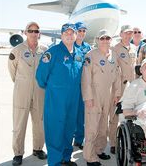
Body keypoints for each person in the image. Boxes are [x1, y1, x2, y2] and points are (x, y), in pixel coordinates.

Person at [36, 23, 84, 166]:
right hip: (56, 99)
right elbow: (41, 77)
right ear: (61, 35)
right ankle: (55, 161)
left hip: (73, 98)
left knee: (69, 128)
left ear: (76, 35)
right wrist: (55, 89)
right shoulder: (52, 53)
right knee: (55, 129)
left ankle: (65, 158)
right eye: (66, 33)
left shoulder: (79, 54)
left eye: (72, 33)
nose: (69, 35)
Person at [8, 22, 48, 165]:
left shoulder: (45, 50)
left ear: (39, 33)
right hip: (22, 93)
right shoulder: (17, 50)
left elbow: (47, 71)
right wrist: (22, 83)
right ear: (25, 33)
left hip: (39, 92)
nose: (33, 33)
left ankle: (38, 149)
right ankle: (18, 153)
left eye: (36, 30)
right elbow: (13, 71)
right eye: (30, 30)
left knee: (39, 123)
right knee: (19, 124)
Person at [81, 29, 121, 166]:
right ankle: (89, 156)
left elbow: (117, 76)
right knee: (92, 126)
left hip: (108, 95)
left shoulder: (113, 56)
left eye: (107, 38)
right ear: (98, 40)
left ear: (111, 40)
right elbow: (86, 78)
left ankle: (98, 149)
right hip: (94, 95)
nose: (105, 41)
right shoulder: (90, 55)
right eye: (102, 38)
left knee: (103, 124)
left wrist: (117, 94)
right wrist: (88, 97)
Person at [108, 25, 136, 154]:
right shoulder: (115, 49)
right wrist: (117, 91)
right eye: (126, 33)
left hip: (132, 86)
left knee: (130, 113)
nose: (128, 35)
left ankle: (129, 140)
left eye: (130, 33)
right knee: (115, 115)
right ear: (120, 34)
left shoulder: (134, 48)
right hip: (119, 86)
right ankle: (113, 143)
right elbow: (114, 71)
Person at [73, 22, 91, 150]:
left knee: (81, 113)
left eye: (84, 31)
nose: (82, 33)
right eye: (80, 30)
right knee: (70, 113)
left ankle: (79, 139)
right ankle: (67, 138)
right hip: (72, 85)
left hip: (84, 85)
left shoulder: (87, 47)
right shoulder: (69, 45)